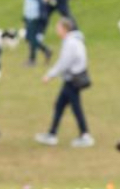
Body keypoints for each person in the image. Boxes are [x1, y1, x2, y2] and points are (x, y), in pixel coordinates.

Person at [35, 17, 93, 147]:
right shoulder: (74, 41)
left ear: (65, 29)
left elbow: (64, 62)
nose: (57, 31)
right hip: (71, 79)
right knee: (59, 106)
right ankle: (52, 133)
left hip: (72, 80)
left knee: (75, 107)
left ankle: (85, 135)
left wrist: (50, 75)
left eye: (58, 28)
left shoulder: (70, 43)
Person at [23, 0, 52, 65]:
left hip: (35, 14)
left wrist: (41, 13)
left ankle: (34, 58)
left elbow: (41, 0)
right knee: (30, 37)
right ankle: (44, 52)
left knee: (32, 37)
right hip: (29, 14)